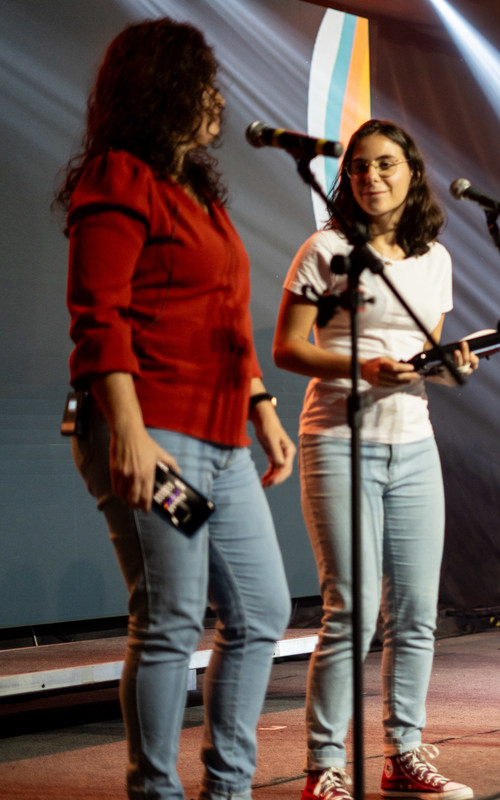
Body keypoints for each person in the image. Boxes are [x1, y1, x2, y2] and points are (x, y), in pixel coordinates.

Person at [59, 19, 293, 800]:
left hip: (221, 443)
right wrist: (127, 432)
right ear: (165, 89)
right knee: (171, 616)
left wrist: (261, 406)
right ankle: (154, 792)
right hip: (155, 435)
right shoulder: (120, 177)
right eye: (205, 84)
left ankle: (228, 789)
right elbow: (99, 314)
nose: (218, 99)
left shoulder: (198, 192)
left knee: (260, 610)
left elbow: (224, 316)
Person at [273, 119, 476, 800]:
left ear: (411, 171)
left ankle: (403, 754)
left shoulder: (434, 258)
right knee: (351, 611)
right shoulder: (326, 249)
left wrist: (450, 367)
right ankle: (323, 766)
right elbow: (287, 348)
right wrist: (362, 367)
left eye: (385, 164)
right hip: (338, 438)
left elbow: (422, 356)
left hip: (413, 441)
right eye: (358, 167)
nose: (371, 177)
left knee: (416, 612)